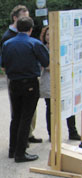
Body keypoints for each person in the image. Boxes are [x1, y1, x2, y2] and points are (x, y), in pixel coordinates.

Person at [2, 16, 46, 163]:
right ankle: (20, 153)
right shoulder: (34, 43)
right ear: (31, 29)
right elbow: (46, 62)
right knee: (26, 118)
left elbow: (3, 64)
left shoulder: (7, 44)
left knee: (16, 117)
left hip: (13, 83)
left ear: (17, 28)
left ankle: (12, 149)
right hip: (30, 83)